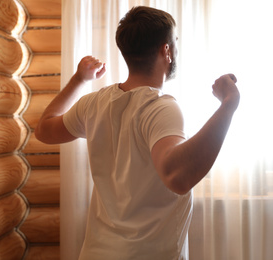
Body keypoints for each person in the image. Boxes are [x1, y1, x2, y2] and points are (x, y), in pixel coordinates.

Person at [35, 6, 239, 260]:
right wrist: (228, 104)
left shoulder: (93, 104)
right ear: (166, 50)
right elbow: (177, 176)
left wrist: (79, 79)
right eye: (174, 42)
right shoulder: (160, 107)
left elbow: (44, 128)